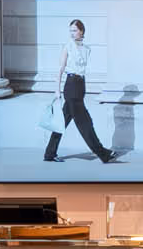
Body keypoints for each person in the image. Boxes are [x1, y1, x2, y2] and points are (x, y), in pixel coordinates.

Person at [41, 16, 117, 163]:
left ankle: (49, 154)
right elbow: (60, 69)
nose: (72, 33)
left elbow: (82, 69)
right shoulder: (67, 46)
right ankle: (103, 153)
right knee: (85, 122)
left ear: (82, 31)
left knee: (62, 122)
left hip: (80, 86)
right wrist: (56, 90)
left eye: (75, 30)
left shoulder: (87, 49)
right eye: (70, 31)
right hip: (71, 86)